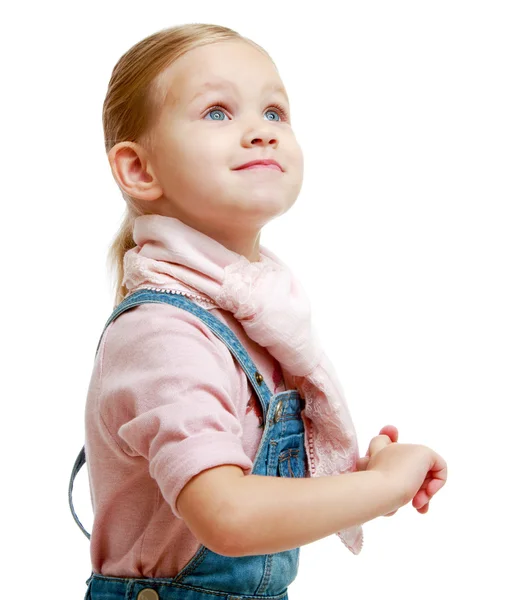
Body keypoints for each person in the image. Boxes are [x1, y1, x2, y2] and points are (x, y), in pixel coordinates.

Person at [69, 23, 448, 600]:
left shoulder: (258, 316)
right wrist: (382, 490)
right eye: (218, 112)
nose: (260, 132)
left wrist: (366, 480)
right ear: (139, 170)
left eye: (275, 112)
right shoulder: (165, 332)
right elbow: (228, 515)